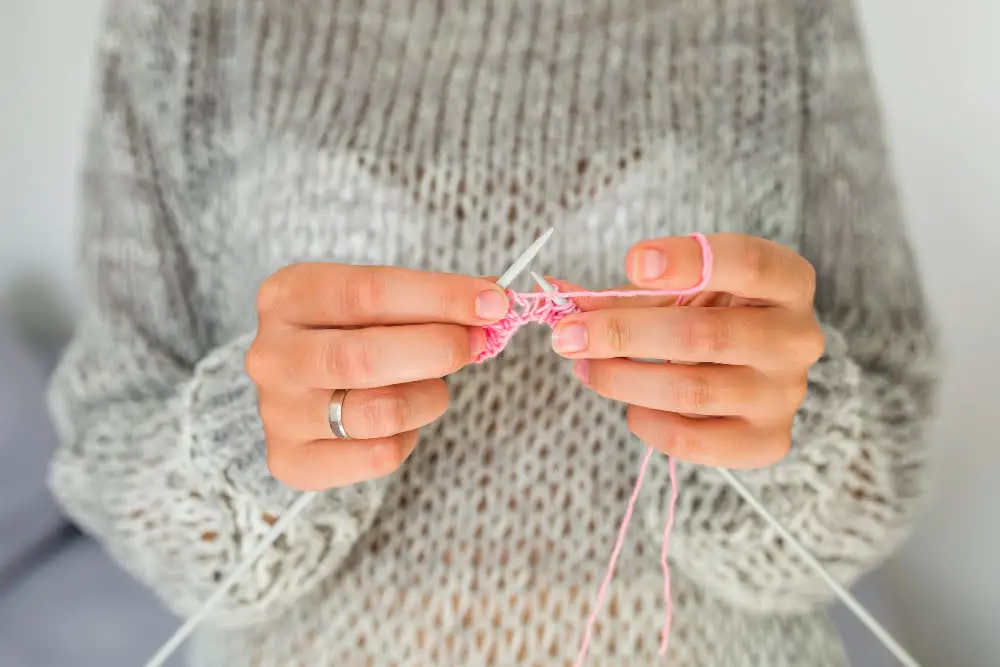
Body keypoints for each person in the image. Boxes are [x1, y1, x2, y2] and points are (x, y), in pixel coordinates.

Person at [46, 1, 939, 665]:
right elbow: (109, 440)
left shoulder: (779, 18)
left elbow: (888, 458)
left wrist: (794, 427)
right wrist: (251, 440)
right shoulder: (191, 21)